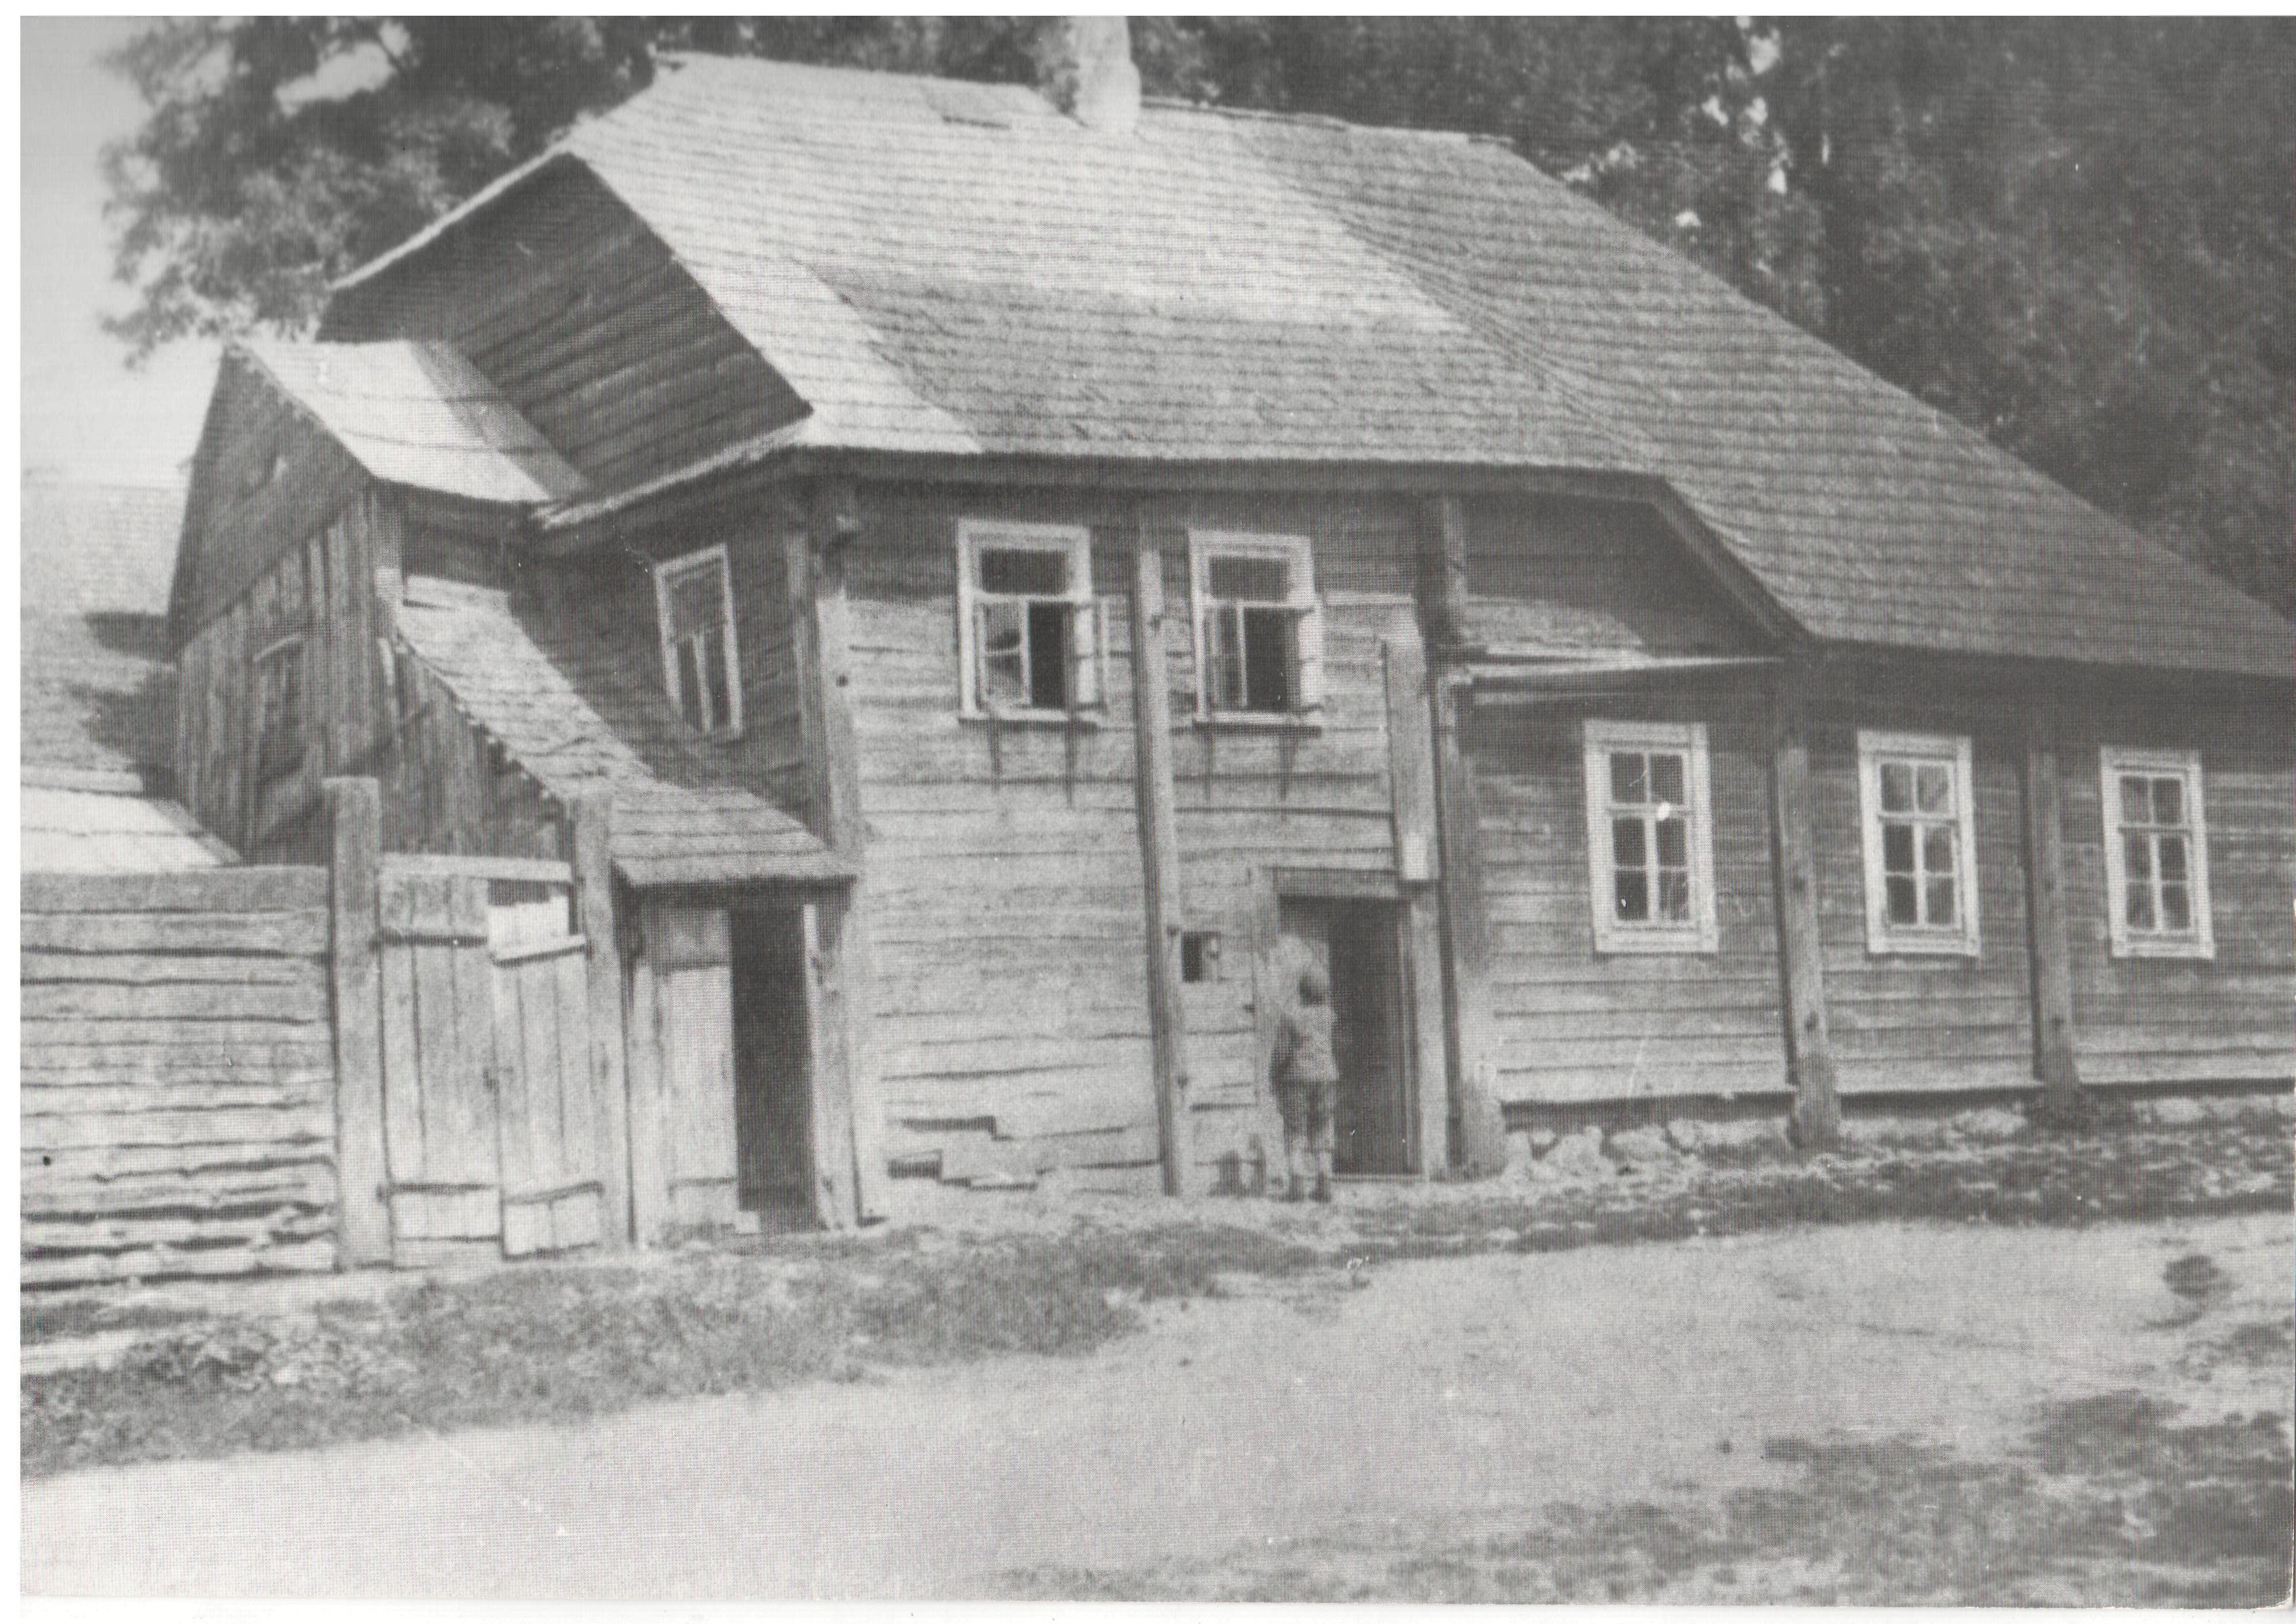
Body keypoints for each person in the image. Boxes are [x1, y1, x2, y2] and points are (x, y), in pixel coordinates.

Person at [1270, 965, 1339, 1203]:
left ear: (1302, 992)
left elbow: (1281, 1053)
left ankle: (1297, 1185)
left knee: (1295, 1130)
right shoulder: (1330, 1016)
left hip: (1297, 1078)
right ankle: (1324, 1182)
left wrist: (1274, 1077)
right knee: (1322, 1127)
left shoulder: (1292, 1017)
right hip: (1326, 1078)